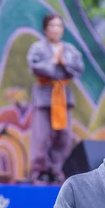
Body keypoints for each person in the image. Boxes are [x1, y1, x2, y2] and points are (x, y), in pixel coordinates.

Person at [26, 14, 84, 184]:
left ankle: (56, 169)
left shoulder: (69, 49)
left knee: (64, 136)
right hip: (44, 96)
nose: (55, 29)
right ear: (45, 28)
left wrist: (64, 62)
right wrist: (53, 62)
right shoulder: (37, 48)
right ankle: (40, 171)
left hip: (63, 96)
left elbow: (78, 68)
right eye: (52, 25)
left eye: (59, 26)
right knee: (42, 136)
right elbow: (34, 66)